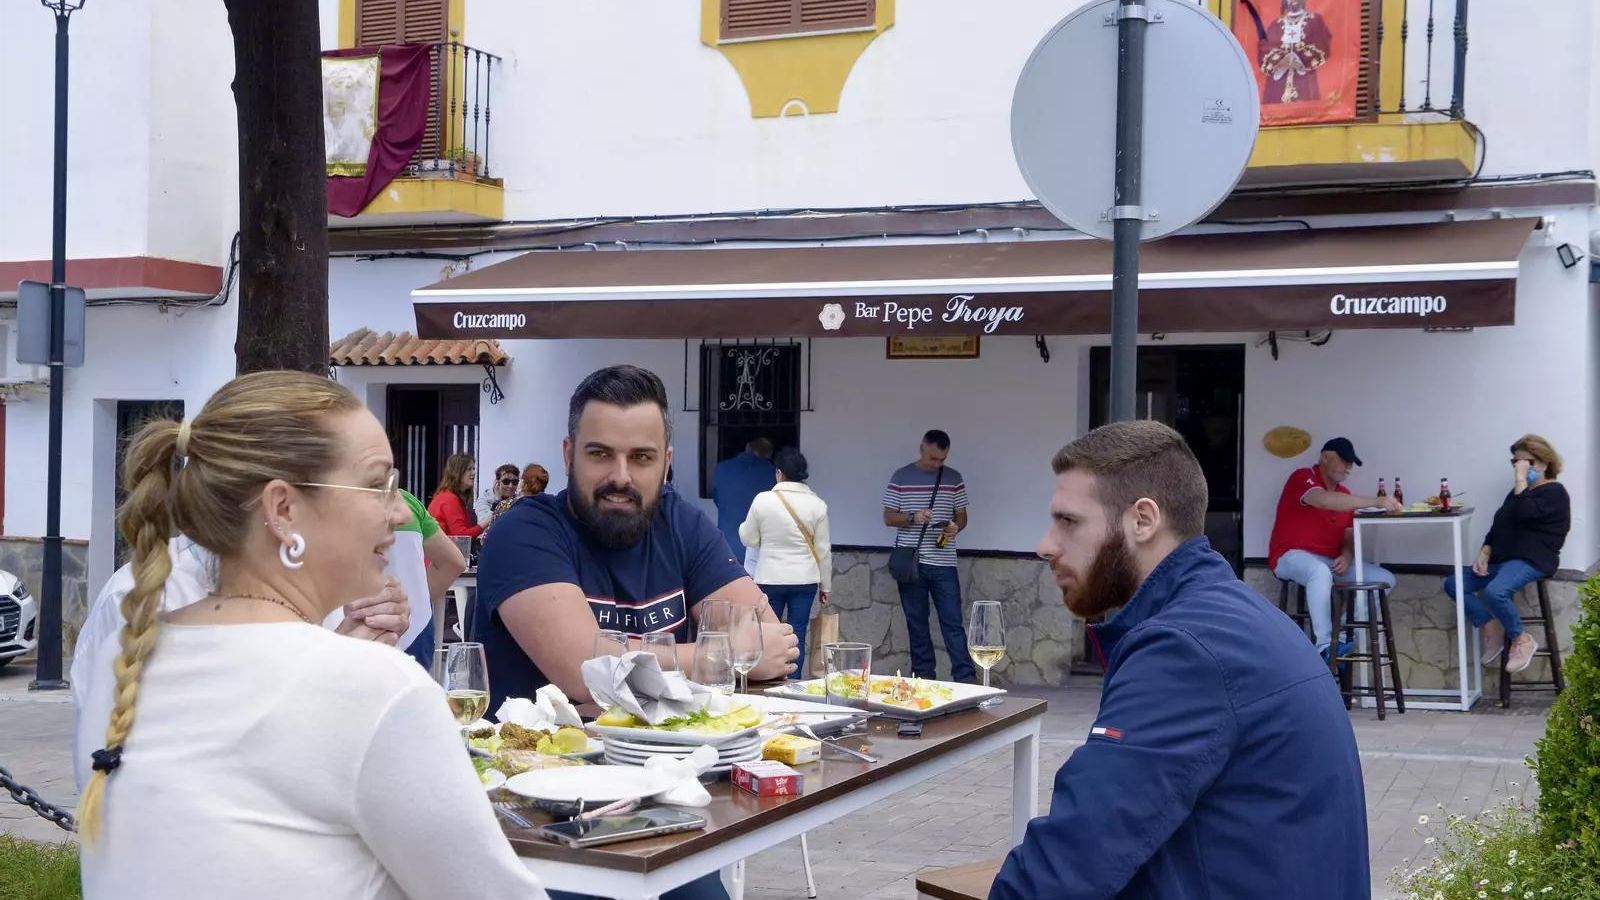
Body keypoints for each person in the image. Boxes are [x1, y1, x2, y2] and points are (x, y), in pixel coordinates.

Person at [73, 371, 545, 900]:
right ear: (283, 510)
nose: (398, 512)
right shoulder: (376, 685)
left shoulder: (126, 655)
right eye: (377, 485)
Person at [989, 421, 1367, 899]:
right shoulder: (1235, 615)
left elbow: (1064, 869)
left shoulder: (1185, 650)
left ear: (1142, 520)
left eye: (1069, 521)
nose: (1045, 544)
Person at [474, 365, 796, 900]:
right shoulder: (525, 531)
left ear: (666, 462)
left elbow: (769, 639)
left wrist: (643, 660)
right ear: (568, 453)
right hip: (542, 826)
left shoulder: (681, 523)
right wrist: (722, 654)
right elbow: (582, 672)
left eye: (641, 457)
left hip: (661, 808)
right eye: (600, 453)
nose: (620, 475)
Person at [1268, 436, 1401, 662]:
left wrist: (1348, 555)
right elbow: (1323, 500)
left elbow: (1349, 536)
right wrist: (1376, 501)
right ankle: (1324, 646)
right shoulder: (1303, 477)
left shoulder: (1346, 495)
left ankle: (1341, 635)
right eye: (1344, 461)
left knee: (1385, 579)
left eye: (1351, 463)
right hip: (1289, 555)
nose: (1347, 467)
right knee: (1318, 572)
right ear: (1324, 457)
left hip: (1330, 562)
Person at [1444, 434, 1570, 673]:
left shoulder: (1554, 492)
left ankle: (1522, 640)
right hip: (1504, 561)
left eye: (1528, 462)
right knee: (1454, 584)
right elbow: (1501, 524)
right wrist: (1485, 551)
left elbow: (1524, 513)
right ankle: (1492, 629)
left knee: (1496, 591)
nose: (1521, 468)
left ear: (1544, 462)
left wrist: (1521, 481)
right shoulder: (1516, 494)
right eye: (1517, 462)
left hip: (1532, 560)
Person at [881, 429, 976, 683]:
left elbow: (963, 516)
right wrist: (913, 516)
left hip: (943, 562)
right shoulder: (901, 476)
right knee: (917, 625)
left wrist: (956, 526)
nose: (937, 464)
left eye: (942, 459)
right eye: (933, 458)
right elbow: (888, 517)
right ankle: (923, 680)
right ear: (922, 448)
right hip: (912, 563)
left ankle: (966, 681)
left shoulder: (953, 478)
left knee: (953, 624)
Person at [740, 447, 832, 678]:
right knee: (798, 631)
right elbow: (823, 550)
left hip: (770, 577)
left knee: (768, 631)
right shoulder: (818, 505)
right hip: (805, 580)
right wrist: (826, 586)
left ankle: (769, 680)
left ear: (779, 473)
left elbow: (748, 538)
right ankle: (793, 681)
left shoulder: (763, 500)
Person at [394, 487, 469, 668]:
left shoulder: (325, 501)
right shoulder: (407, 501)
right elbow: (453, 562)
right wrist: (415, 601)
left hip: (347, 634)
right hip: (414, 632)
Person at [712, 437, 776, 571]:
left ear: (747, 447)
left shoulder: (722, 468)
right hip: (761, 553)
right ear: (769, 455)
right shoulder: (773, 473)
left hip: (727, 548)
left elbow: (718, 499)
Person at [1259, 0, 1332, 104]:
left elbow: (1323, 45)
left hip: (1305, 80)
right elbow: (1265, 49)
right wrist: (1284, 59)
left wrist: (1298, 58)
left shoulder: (1315, 21)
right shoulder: (1275, 25)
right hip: (1278, 84)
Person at [428, 453, 483, 538]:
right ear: (457, 472)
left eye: (474, 468)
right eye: (469, 469)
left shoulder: (446, 495)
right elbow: (461, 536)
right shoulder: (449, 499)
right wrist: (486, 523)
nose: (474, 473)